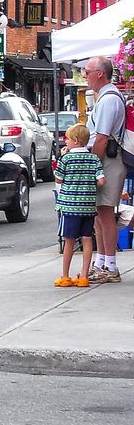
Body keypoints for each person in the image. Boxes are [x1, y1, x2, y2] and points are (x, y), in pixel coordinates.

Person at [84, 56, 126, 284]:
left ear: (101, 73)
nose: (85, 76)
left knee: (106, 213)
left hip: (108, 160)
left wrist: (93, 166)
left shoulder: (108, 100)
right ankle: (101, 262)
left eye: (88, 71)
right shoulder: (107, 97)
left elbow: (101, 138)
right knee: (100, 213)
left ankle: (110, 265)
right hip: (107, 160)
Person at [54, 123, 104, 288]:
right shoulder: (93, 158)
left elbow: (58, 179)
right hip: (88, 206)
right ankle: (83, 276)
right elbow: (101, 180)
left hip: (70, 206)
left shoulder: (66, 158)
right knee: (87, 238)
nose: (65, 141)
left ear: (75, 140)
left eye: (67, 139)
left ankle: (65, 275)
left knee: (69, 240)